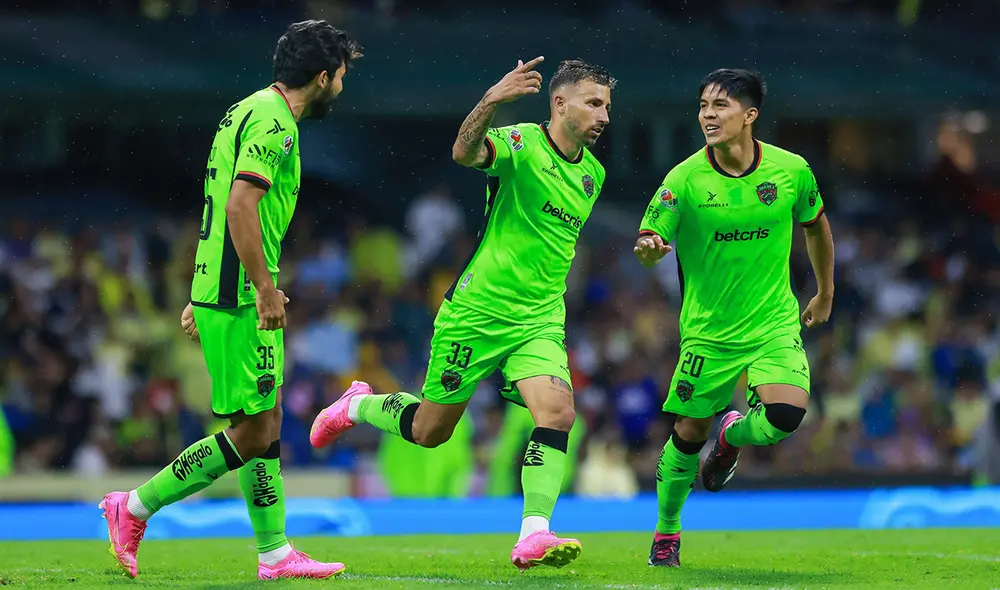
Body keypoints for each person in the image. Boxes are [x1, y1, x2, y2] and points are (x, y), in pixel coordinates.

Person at [310, 57, 615, 571]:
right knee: (431, 432)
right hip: (476, 312)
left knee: (558, 413)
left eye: (607, 105)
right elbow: (463, 151)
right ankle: (359, 406)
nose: (604, 115)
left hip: (538, 319)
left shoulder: (594, 175)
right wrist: (491, 101)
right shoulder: (521, 144)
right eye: (594, 103)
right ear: (559, 104)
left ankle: (534, 533)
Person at [99, 20, 363, 581]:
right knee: (253, 431)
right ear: (321, 77)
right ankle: (136, 506)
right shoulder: (277, 125)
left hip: (226, 287)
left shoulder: (242, 109)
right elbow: (241, 205)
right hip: (242, 294)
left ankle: (274, 554)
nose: (341, 88)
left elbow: (218, 201)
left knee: (261, 424)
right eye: (340, 77)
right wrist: (262, 288)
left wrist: (207, 291)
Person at [633, 68, 835, 567]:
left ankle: (733, 436)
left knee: (785, 417)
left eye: (719, 106)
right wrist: (649, 249)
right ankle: (667, 531)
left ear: (749, 115)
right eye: (703, 105)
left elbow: (816, 228)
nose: (707, 115)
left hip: (773, 325)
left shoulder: (792, 171)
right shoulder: (683, 179)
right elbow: (649, 235)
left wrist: (826, 291)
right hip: (709, 333)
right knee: (687, 432)